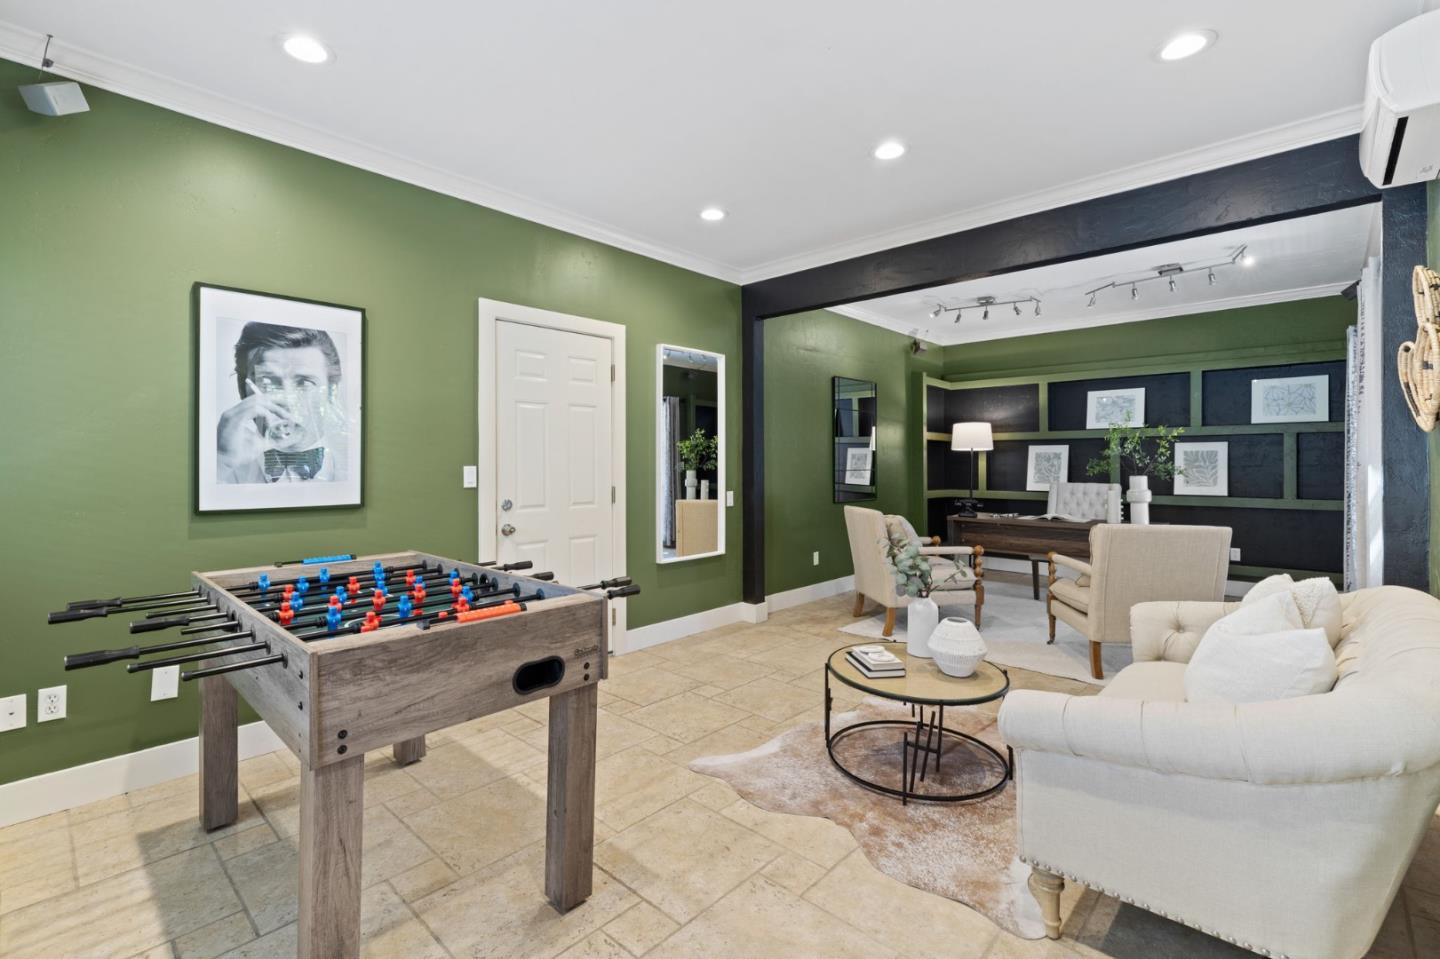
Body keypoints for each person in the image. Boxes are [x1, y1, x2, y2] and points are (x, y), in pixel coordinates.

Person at [216, 322, 347, 484]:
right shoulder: (218, 471)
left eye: (304, 383)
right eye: (267, 381)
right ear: (243, 391)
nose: (287, 401)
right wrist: (222, 463)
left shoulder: (355, 466)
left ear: (332, 393)